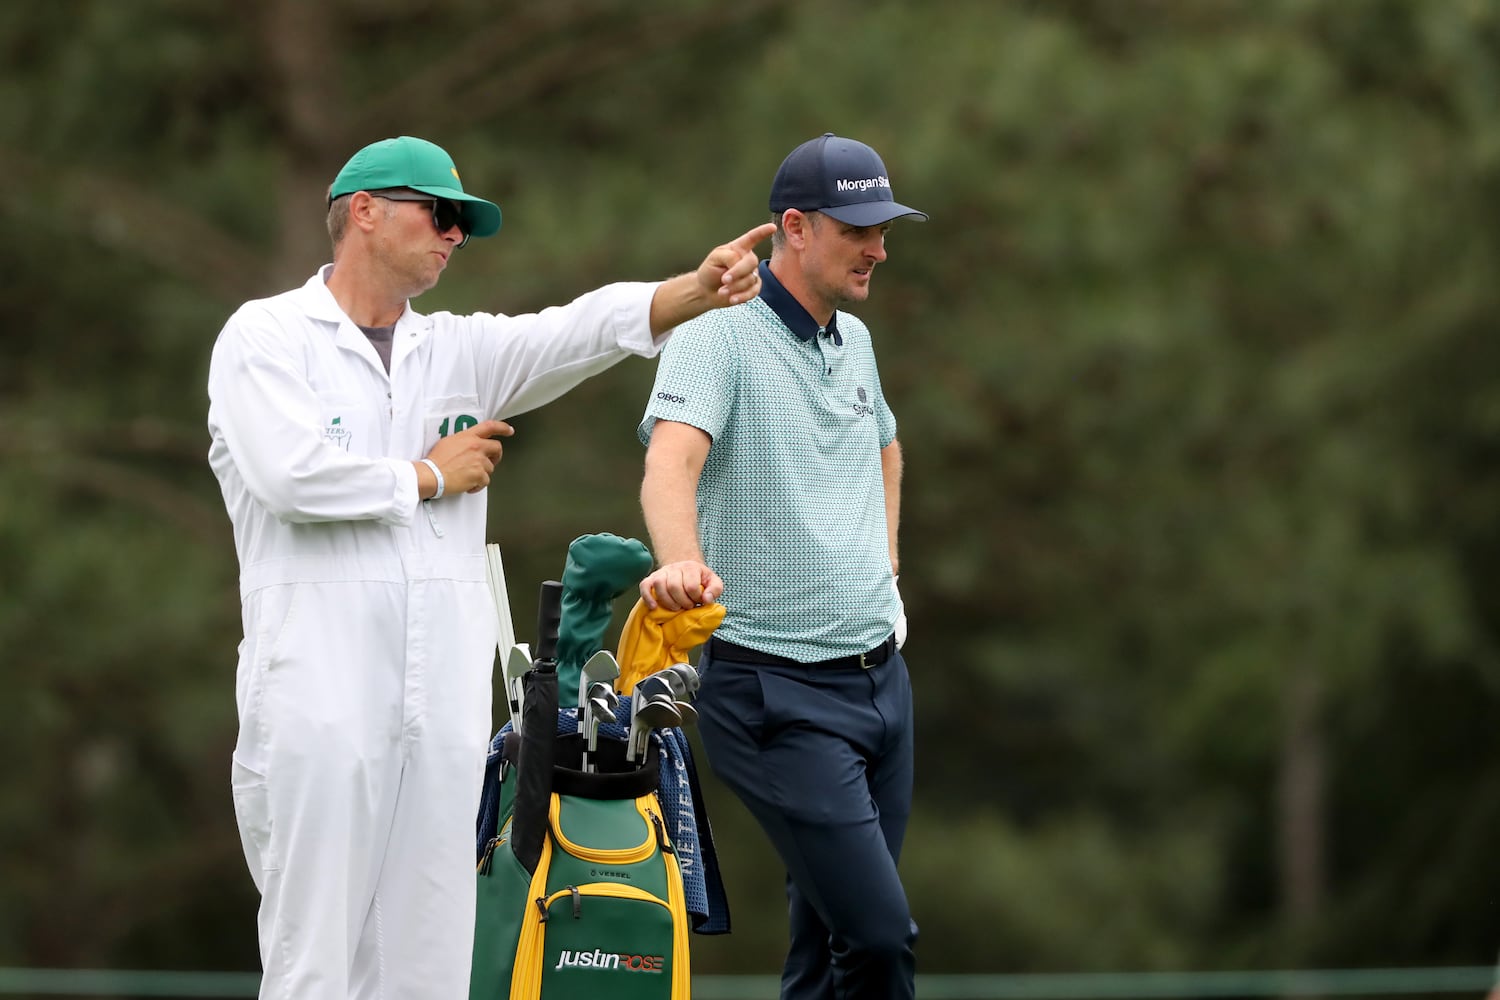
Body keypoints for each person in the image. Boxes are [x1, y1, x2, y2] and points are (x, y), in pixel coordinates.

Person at [206, 134, 773, 1000]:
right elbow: (289, 478)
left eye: (463, 224)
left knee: (433, 962)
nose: (456, 235)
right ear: (365, 211)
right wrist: (431, 475)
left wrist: (691, 292)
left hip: (441, 710)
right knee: (314, 961)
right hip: (317, 698)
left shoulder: (455, 349)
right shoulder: (267, 336)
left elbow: (571, 332)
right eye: (441, 215)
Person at [636, 132, 925, 1000]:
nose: (878, 247)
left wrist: (888, 572)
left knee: (828, 946)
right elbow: (670, 462)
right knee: (878, 940)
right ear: (795, 228)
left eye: (883, 229)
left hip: (882, 687)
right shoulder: (717, 338)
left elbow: (887, 448)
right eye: (857, 230)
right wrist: (681, 568)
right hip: (775, 694)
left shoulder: (855, 341)